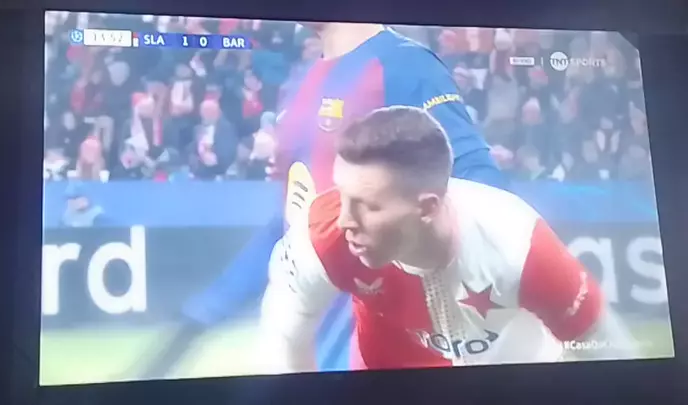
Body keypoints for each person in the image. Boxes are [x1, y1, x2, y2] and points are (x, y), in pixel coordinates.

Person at [141, 22, 506, 378]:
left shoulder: (403, 64)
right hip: (307, 346)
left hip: (375, 346)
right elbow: (296, 223)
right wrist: (210, 307)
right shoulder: (304, 80)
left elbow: (479, 184)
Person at [259, 106, 637, 372]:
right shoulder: (322, 235)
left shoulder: (520, 247)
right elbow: (285, 337)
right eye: (343, 195)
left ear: (426, 207)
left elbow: (607, 348)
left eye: (368, 206)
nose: (345, 220)